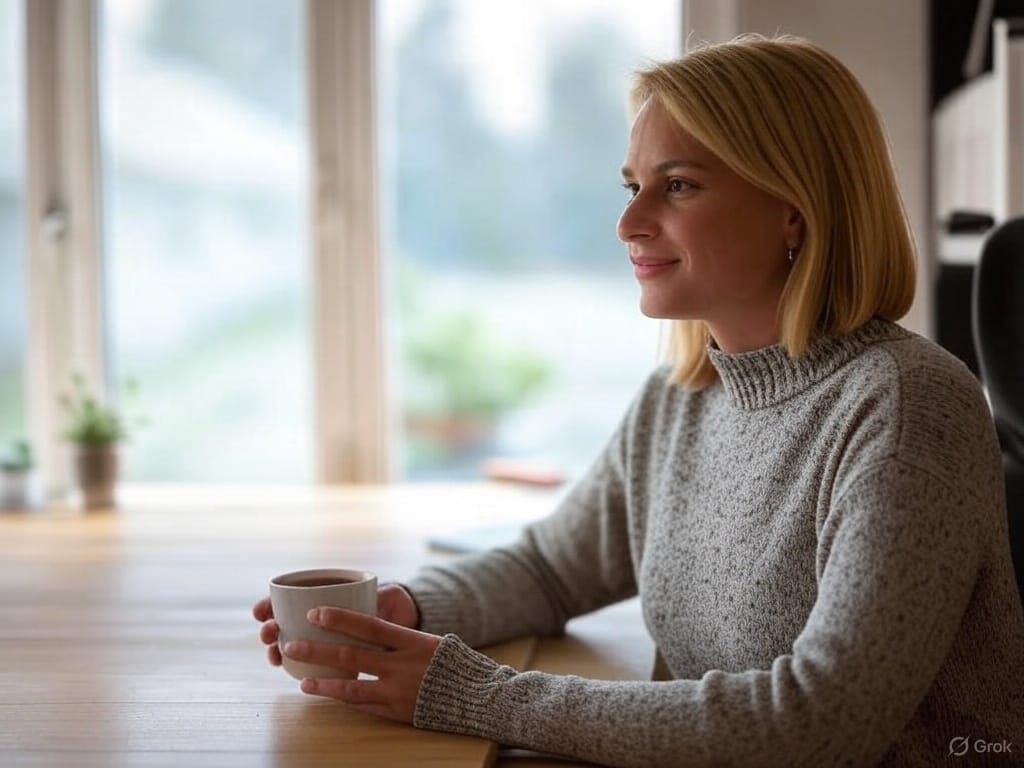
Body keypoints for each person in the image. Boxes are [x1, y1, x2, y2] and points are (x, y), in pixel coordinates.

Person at [253, 34, 1024, 766]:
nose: (627, 222)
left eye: (678, 185)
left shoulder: (905, 407)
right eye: (632, 186)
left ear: (794, 207)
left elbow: (820, 727)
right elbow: (553, 567)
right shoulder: (681, 397)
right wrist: (403, 611)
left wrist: (472, 693)